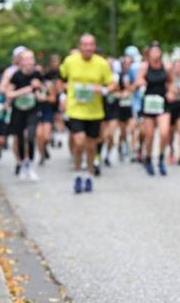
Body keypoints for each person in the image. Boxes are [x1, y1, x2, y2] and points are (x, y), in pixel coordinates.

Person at [59, 34, 114, 193]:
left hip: (94, 111)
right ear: (80, 46)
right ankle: (77, 172)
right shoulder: (70, 61)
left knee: (91, 146)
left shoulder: (102, 63)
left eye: (91, 45)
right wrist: (61, 94)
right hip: (75, 109)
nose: (88, 48)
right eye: (85, 45)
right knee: (79, 141)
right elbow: (60, 78)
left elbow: (112, 84)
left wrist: (103, 90)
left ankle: (88, 175)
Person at [1, 48, 42, 181]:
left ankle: (30, 164)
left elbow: (44, 93)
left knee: (30, 136)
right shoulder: (15, 75)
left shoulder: (37, 74)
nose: (29, 62)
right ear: (20, 61)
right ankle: (21, 164)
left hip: (32, 110)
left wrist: (39, 89)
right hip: (18, 110)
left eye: (31, 58)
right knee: (19, 138)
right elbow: (8, 93)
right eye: (26, 59)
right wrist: (25, 90)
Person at [134, 42, 173, 176]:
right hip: (149, 104)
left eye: (158, 50)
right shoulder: (145, 66)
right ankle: (149, 158)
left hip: (162, 103)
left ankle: (161, 158)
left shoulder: (166, 66)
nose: (156, 53)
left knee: (164, 133)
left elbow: (171, 81)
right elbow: (137, 81)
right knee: (149, 136)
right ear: (149, 53)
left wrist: (170, 92)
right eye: (153, 50)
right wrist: (140, 82)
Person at [36, 55, 62, 165]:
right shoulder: (30, 85)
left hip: (48, 110)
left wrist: (44, 97)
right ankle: (42, 155)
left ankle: (46, 146)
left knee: (46, 136)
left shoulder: (48, 84)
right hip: (36, 112)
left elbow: (53, 97)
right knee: (39, 136)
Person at [114, 55, 137, 162]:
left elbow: (134, 89)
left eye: (129, 64)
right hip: (121, 107)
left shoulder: (133, 76)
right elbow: (115, 91)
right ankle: (121, 146)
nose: (127, 66)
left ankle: (132, 151)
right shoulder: (118, 76)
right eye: (126, 64)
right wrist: (121, 94)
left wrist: (128, 89)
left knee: (132, 129)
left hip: (130, 107)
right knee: (123, 132)